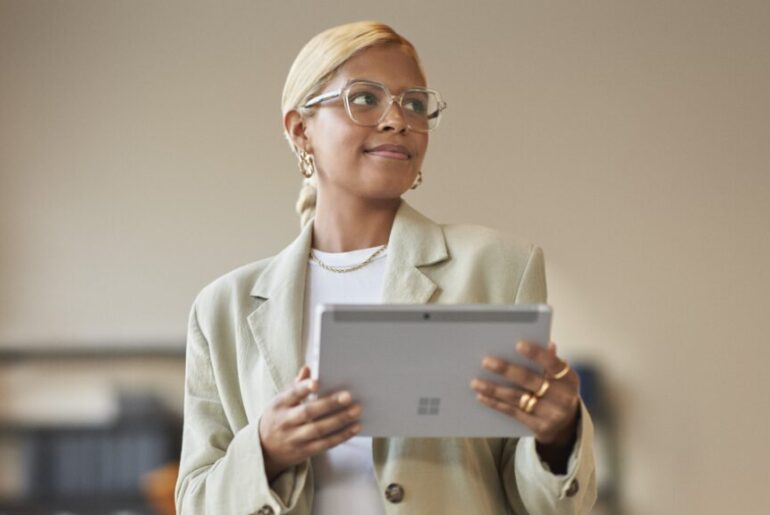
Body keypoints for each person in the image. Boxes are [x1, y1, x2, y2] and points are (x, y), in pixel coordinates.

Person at [174, 20, 596, 515]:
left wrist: (558, 433)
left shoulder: (499, 266)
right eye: (365, 98)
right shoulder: (223, 307)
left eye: (415, 103)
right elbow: (195, 502)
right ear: (300, 129)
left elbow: (550, 505)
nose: (398, 119)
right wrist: (265, 448)